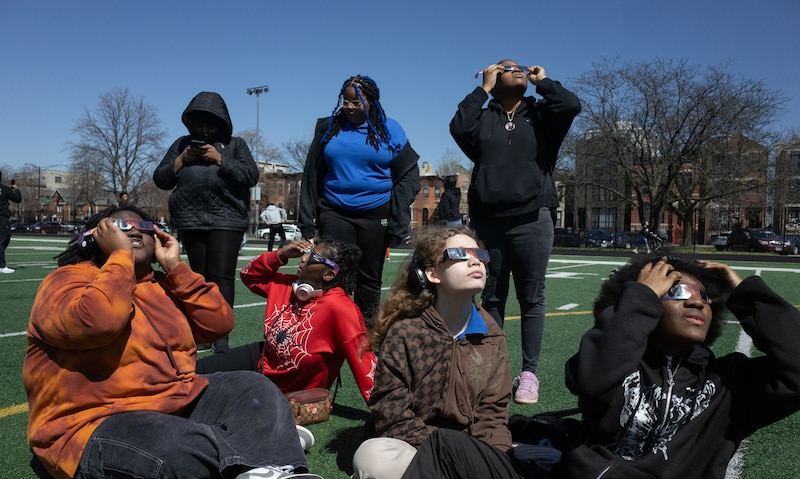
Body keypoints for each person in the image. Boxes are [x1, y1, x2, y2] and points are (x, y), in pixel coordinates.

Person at [371, 252, 800, 479]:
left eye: (706, 296)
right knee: (448, 447)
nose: (697, 302)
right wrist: (636, 301)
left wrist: (744, 293)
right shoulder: (616, 355)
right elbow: (592, 378)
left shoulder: (728, 384)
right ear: (641, 302)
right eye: (677, 291)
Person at [22, 205, 326, 479]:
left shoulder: (163, 284)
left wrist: (176, 269)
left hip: (172, 405)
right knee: (174, 453)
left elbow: (219, 324)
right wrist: (119, 259)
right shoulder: (66, 281)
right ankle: (264, 442)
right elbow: (98, 322)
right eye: (121, 226)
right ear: (97, 236)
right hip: (91, 424)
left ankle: (262, 458)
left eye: (144, 226)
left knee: (253, 386)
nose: (136, 230)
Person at [353, 225, 512, 479]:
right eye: (459, 255)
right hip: (415, 448)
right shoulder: (406, 331)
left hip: (469, 454)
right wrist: (445, 452)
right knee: (372, 458)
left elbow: (494, 412)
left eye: (479, 255)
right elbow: (392, 412)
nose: (475, 261)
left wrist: (493, 460)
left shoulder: (492, 336)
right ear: (432, 274)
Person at [450, 60, 581, 405]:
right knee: (491, 297)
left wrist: (545, 81)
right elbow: (459, 126)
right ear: (493, 74)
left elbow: (571, 105)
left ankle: (529, 374)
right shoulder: (483, 117)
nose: (517, 69)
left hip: (532, 218)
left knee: (531, 297)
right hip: (488, 220)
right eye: (506, 67)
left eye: (521, 66)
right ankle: (493, 371)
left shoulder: (542, 116)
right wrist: (484, 89)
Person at [196, 237, 376, 404]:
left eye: (313, 256)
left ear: (328, 274)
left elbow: (363, 361)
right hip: (262, 358)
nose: (304, 258)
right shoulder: (288, 285)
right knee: (193, 372)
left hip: (292, 392)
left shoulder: (341, 308)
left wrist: (386, 412)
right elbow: (248, 275)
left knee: (214, 398)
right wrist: (280, 255)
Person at [299, 75, 421, 323]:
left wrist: (396, 211)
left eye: (357, 101)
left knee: (369, 277)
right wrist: (307, 222)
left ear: (372, 101)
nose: (350, 107)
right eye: (346, 101)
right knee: (332, 273)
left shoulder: (391, 129)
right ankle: (332, 328)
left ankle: (366, 335)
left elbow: (409, 176)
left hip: (376, 212)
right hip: (334, 210)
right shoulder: (328, 127)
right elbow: (311, 174)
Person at [153, 91, 259, 352]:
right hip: (190, 220)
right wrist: (180, 161)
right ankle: (200, 332)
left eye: (210, 123)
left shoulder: (236, 145)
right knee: (198, 277)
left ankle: (220, 337)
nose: (204, 129)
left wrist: (220, 159)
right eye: (199, 124)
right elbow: (161, 178)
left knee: (221, 276)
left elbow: (250, 176)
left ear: (221, 123)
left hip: (227, 218)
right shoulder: (181, 145)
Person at [0, 171, 22, 273]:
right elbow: (18, 199)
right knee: (3, 240)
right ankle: (1, 266)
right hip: (2, 218)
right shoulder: (4, 189)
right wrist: (15, 189)